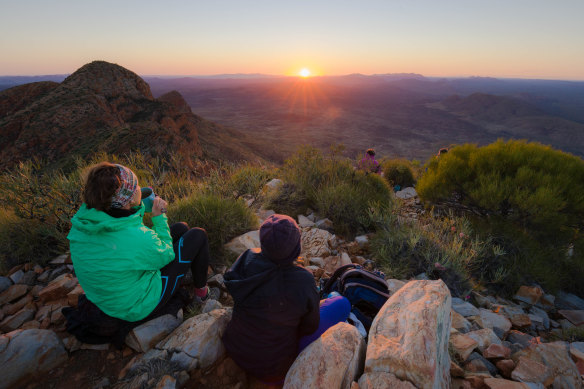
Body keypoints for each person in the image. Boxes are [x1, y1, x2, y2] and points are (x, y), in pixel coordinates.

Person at [67, 162, 210, 324]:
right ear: (126, 199)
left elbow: (124, 220)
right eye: (135, 187)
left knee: (181, 228)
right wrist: (159, 216)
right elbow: (166, 254)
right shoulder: (133, 236)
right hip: (134, 307)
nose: (139, 188)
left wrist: (136, 205)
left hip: (105, 298)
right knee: (198, 235)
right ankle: (202, 296)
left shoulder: (85, 220)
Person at [222, 214, 350, 384]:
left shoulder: (246, 259)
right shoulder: (303, 280)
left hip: (237, 349)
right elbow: (310, 327)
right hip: (275, 369)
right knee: (341, 303)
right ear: (295, 248)